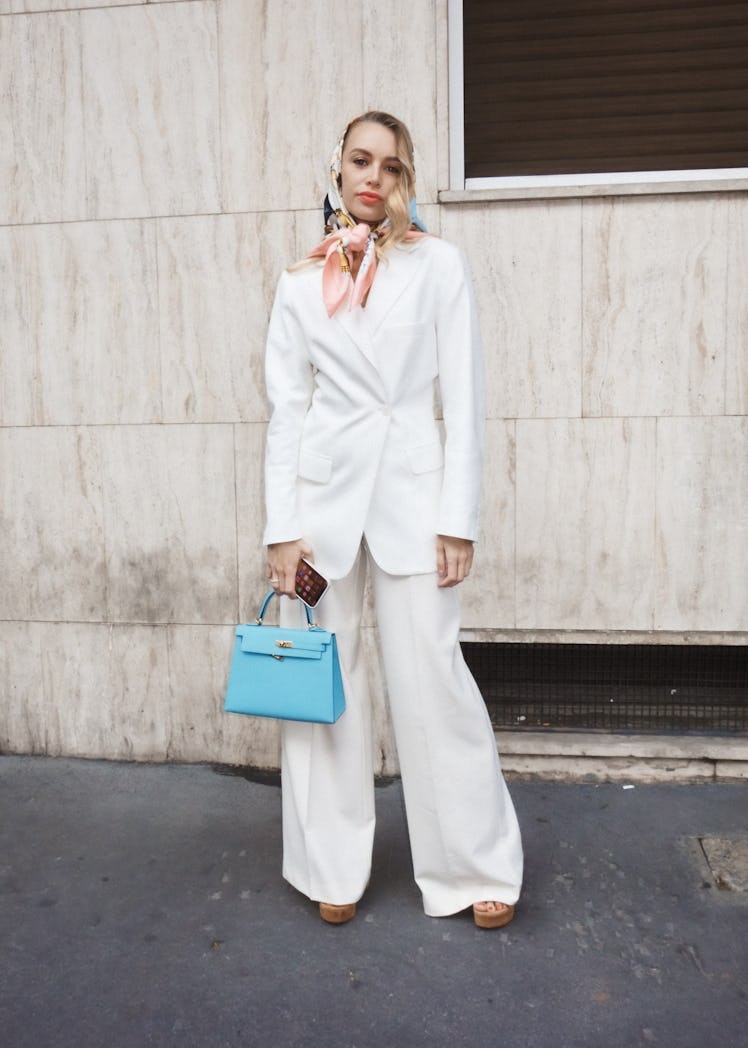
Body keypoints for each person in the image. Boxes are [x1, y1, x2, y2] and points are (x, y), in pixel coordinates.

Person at [262, 111, 523, 928]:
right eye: (359, 160)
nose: (373, 177)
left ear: (406, 178)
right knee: (323, 686)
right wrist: (280, 527)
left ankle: (472, 864)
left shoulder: (441, 266)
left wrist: (460, 517)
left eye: (391, 165)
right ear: (336, 169)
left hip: (416, 501)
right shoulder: (300, 282)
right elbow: (286, 412)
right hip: (322, 507)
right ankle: (328, 864)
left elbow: (465, 402)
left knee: (434, 682)